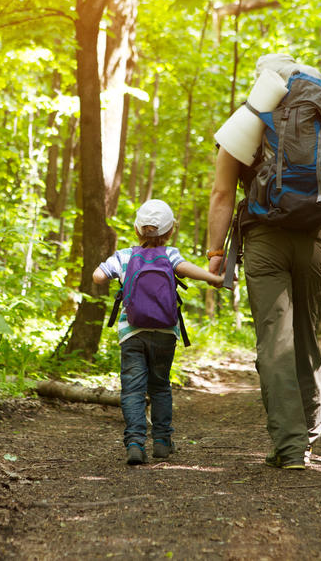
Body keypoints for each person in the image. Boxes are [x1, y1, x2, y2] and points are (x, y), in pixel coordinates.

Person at [206, 53, 321, 470]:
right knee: (304, 335)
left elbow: (222, 195)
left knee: (275, 340)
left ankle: (289, 445)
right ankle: (307, 438)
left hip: (265, 240)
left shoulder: (247, 123)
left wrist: (215, 253)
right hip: (318, 238)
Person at [94, 199, 224, 465]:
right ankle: (163, 442)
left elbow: (98, 276)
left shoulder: (125, 255)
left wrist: (111, 273)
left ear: (137, 229)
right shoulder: (170, 254)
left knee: (132, 390)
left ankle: (134, 443)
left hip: (131, 333)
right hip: (166, 332)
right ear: (170, 232)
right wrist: (214, 278)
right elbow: (188, 270)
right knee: (161, 387)